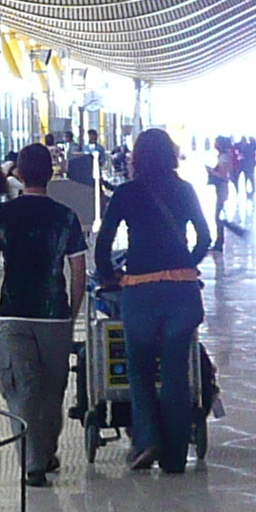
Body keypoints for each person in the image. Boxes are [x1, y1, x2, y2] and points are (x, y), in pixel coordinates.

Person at [91, 127, 212, 474]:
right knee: (175, 373)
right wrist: (186, 263)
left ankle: (145, 441)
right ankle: (175, 458)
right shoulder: (185, 189)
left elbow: (104, 244)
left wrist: (109, 276)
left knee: (140, 370)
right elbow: (204, 237)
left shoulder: (127, 193)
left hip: (140, 291)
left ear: (137, 157)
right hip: (181, 293)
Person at [0, 144, 89, 486]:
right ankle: (44, 453)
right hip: (54, 315)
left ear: (19, 174)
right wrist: (70, 314)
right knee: (52, 391)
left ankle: (33, 460)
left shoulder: (3, 214)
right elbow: (79, 272)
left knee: (21, 389)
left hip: (14, 314)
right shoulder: (66, 216)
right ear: (52, 174)